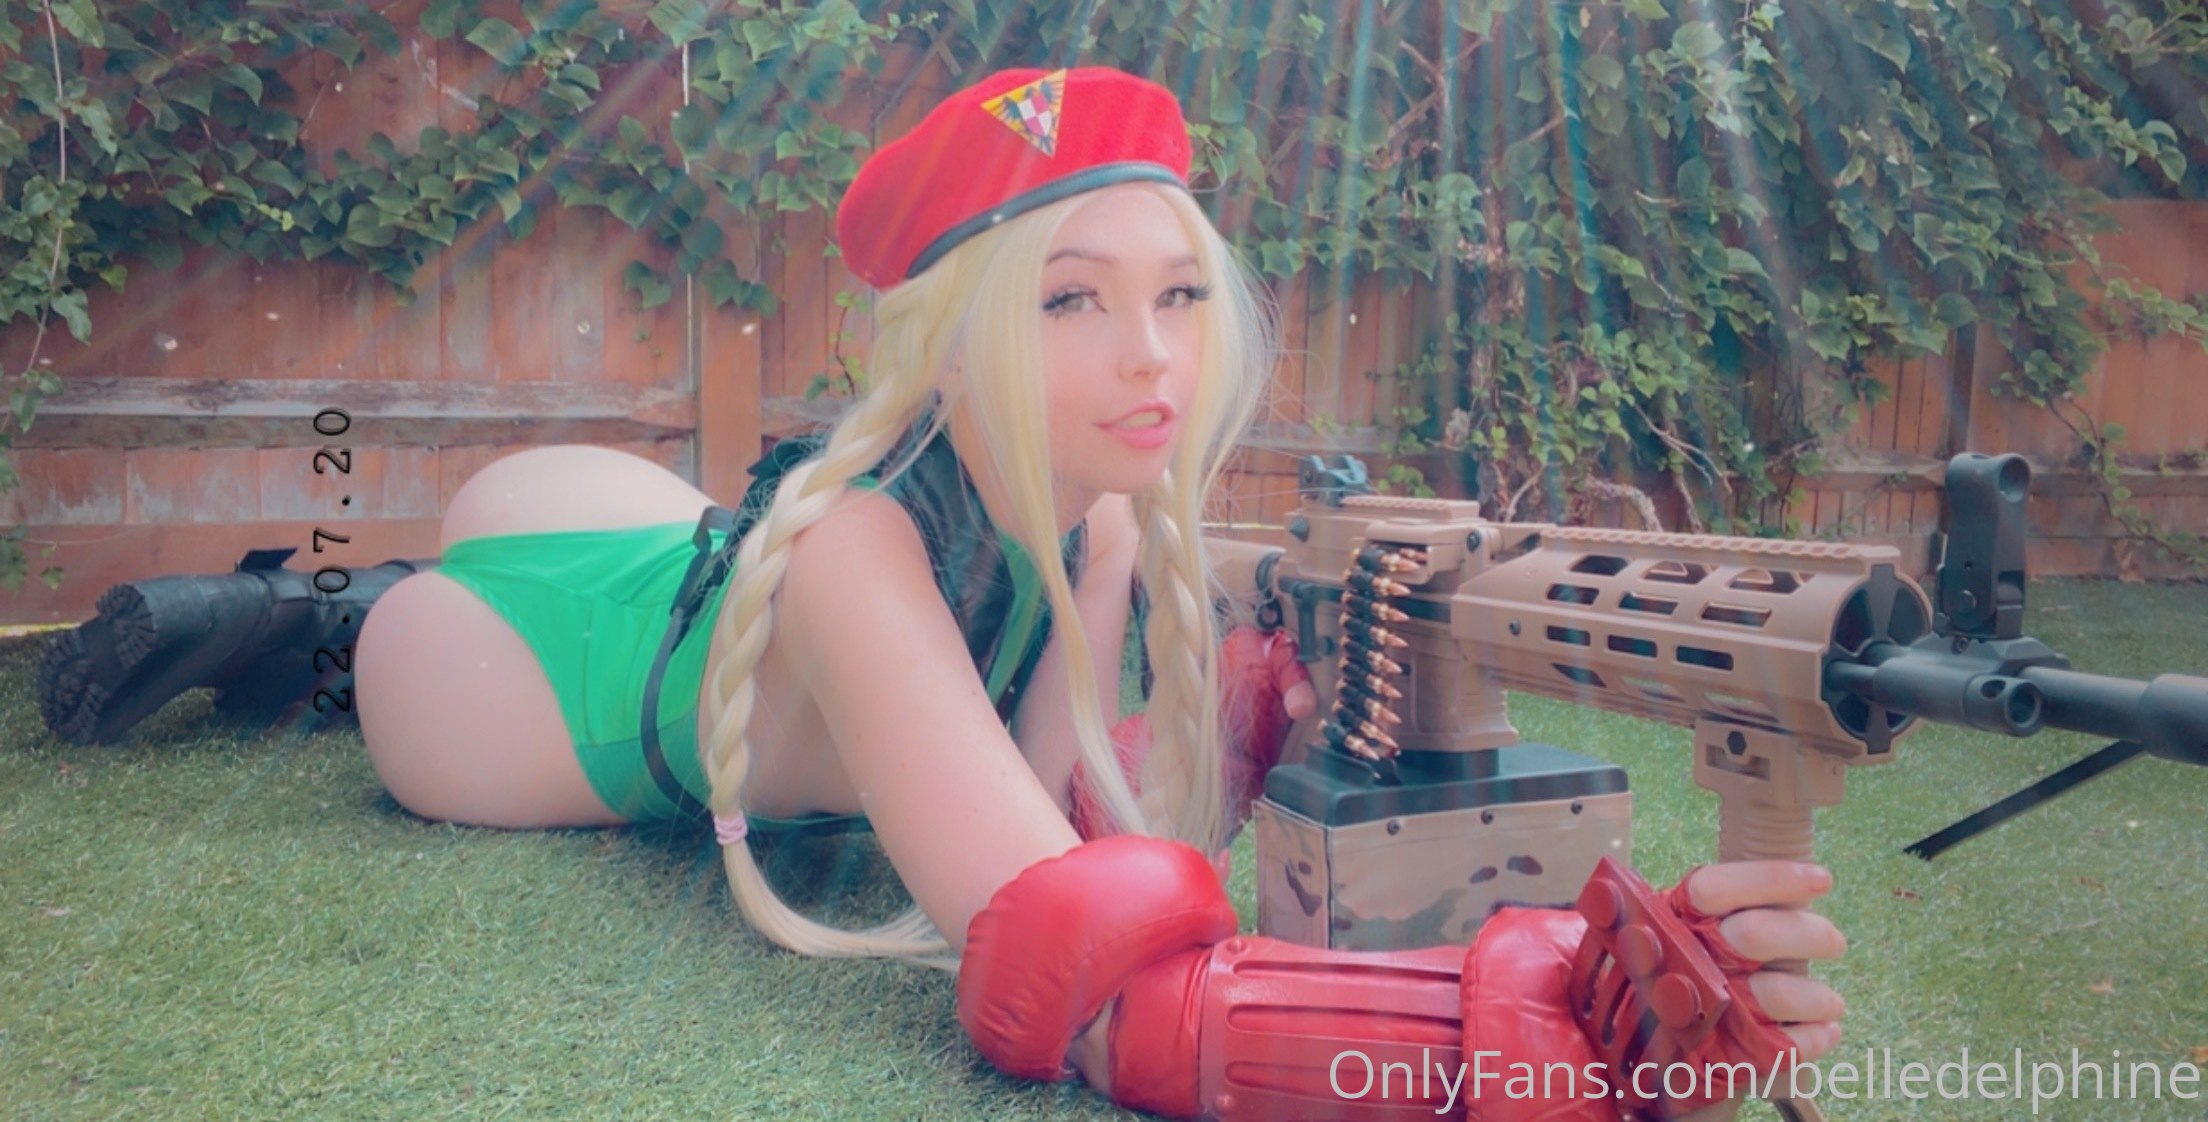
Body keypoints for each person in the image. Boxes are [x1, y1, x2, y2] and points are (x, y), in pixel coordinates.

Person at [36, 67, 1844, 1119]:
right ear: (962, 329)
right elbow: (1068, 949)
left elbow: (1073, 807)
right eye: (1069, 299)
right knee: (418, 611)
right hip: (514, 678)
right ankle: (313, 617)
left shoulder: (1102, 526)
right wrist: (1510, 1038)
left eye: (1176, 293)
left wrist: (1266, 755)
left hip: (664, 536)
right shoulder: (853, 545)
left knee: (646, 508)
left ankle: (343, 593)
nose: (1150, 354)